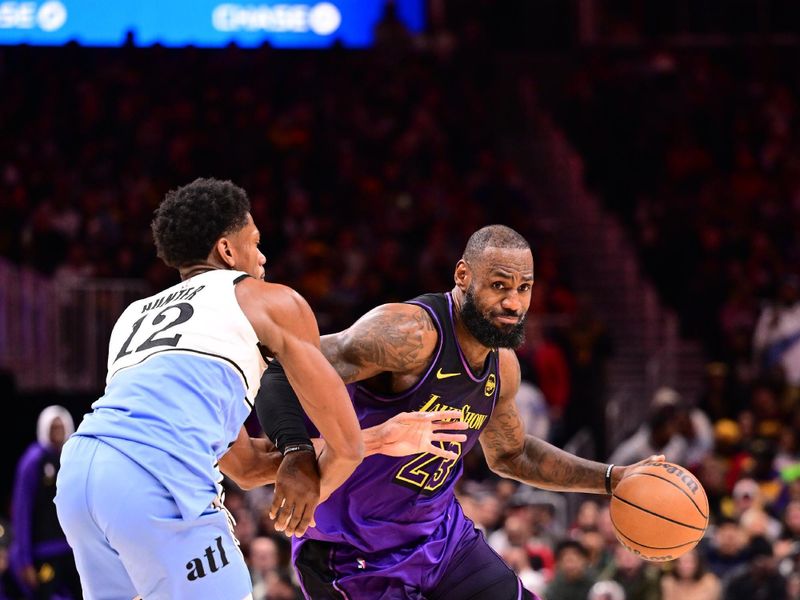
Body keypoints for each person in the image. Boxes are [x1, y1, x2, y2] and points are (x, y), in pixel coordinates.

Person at [259, 224, 661, 599]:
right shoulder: (410, 335)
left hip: (441, 538)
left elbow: (512, 454)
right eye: (499, 286)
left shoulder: (502, 367)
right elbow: (285, 368)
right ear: (464, 276)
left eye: (524, 288)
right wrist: (295, 453)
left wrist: (612, 478)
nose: (513, 302)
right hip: (351, 552)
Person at [53, 178, 368, 600]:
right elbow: (347, 446)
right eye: (254, 242)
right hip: (154, 473)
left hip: (79, 476)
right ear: (226, 250)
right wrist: (311, 483)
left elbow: (240, 464)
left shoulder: (131, 317)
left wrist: (299, 456)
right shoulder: (268, 300)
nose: (262, 256)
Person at [9, 405, 80, 599]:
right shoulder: (33, 461)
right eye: (53, 428)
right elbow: (22, 512)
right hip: (44, 552)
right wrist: (24, 561)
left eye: (61, 427)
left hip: (74, 552)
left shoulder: (76, 460)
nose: (58, 432)